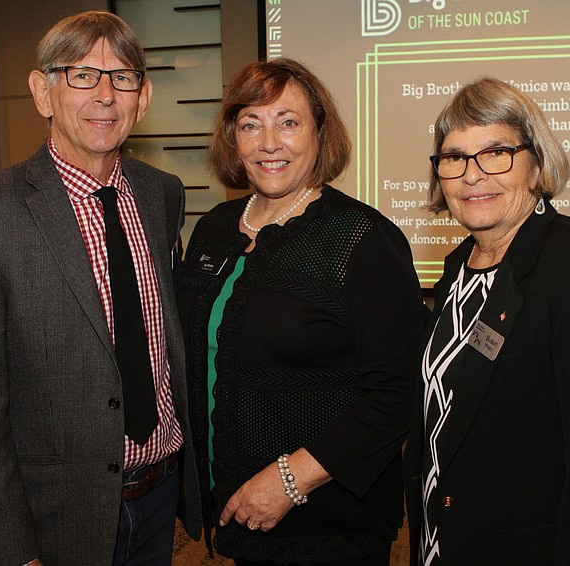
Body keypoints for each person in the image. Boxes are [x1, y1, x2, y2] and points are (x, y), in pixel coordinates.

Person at [0, 11, 200, 566]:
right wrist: (9, 549)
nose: (105, 95)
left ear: (143, 97)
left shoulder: (161, 195)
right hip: (55, 517)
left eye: (122, 77)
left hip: (160, 492)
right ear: (42, 91)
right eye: (82, 75)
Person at [176, 58, 426, 566]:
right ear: (233, 139)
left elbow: (400, 391)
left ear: (319, 133)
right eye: (251, 124)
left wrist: (289, 481)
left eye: (288, 122)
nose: (269, 142)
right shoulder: (214, 229)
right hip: (232, 511)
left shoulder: (362, 238)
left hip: (324, 524)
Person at [404, 77, 570, 565]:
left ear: (535, 165)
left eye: (496, 152)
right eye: (453, 158)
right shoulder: (456, 269)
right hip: (448, 538)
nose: (472, 175)